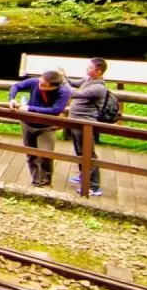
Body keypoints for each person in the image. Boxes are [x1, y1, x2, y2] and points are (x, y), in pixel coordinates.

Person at [8, 70, 72, 188]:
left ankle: (46, 181)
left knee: (45, 154)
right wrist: (11, 98)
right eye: (40, 82)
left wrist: (29, 108)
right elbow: (16, 86)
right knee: (31, 154)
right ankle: (37, 181)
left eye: (43, 85)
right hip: (28, 124)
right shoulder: (35, 82)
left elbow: (55, 110)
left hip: (47, 127)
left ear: (52, 87)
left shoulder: (63, 92)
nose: (39, 85)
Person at [66, 58, 108, 196]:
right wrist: (63, 75)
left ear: (98, 71)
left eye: (89, 67)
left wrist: (63, 81)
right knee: (80, 152)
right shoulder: (88, 80)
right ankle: (83, 176)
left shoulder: (98, 88)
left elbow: (75, 93)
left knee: (88, 153)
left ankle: (94, 186)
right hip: (76, 122)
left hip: (86, 124)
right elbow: (72, 83)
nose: (87, 69)